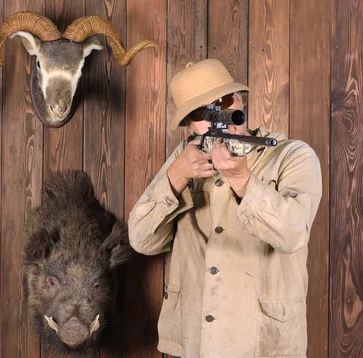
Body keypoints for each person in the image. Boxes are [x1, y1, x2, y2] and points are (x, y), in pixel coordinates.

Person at [128, 59, 322, 357]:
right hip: (196, 339)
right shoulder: (186, 157)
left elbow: (294, 235)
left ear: (240, 100)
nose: (219, 115)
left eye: (225, 101)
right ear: (189, 125)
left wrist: (242, 180)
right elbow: (142, 240)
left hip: (265, 344)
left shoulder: (292, 156)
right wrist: (176, 176)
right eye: (201, 112)